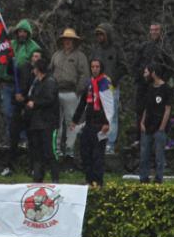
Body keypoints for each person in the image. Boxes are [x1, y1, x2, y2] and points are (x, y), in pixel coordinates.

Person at [0, 19, 42, 146]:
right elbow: (1, 62)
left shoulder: (34, 47)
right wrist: (0, 75)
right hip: (7, 84)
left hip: (24, 86)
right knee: (7, 112)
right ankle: (10, 138)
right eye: (20, 31)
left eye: (24, 32)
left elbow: (35, 66)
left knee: (23, 113)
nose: (22, 34)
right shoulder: (9, 45)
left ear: (28, 33)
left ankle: (23, 138)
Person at [71, 59, 116, 187]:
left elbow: (109, 105)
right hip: (89, 123)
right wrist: (75, 120)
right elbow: (83, 103)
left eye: (97, 66)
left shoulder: (105, 84)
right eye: (92, 66)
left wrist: (107, 122)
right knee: (85, 152)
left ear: (101, 68)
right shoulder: (89, 83)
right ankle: (89, 179)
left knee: (98, 155)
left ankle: (98, 181)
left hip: (101, 124)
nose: (94, 69)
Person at [1, 49, 42, 177]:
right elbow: (10, 72)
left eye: (38, 57)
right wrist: (10, 61)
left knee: (33, 141)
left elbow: (40, 92)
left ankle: (32, 168)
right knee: (13, 138)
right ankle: (9, 166)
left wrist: (26, 99)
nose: (35, 58)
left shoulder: (42, 73)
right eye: (34, 56)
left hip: (32, 110)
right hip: (18, 108)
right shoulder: (23, 67)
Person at [88, 23, 128, 154]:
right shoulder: (95, 49)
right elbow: (91, 66)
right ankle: (99, 141)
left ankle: (110, 144)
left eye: (102, 34)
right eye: (98, 34)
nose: (99, 37)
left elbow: (123, 67)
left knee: (112, 116)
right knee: (96, 115)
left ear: (108, 35)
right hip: (97, 88)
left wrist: (114, 80)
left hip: (111, 88)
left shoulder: (116, 49)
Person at [50, 28, 90, 158]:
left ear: (74, 41)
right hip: (56, 92)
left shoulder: (80, 56)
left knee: (72, 122)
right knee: (56, 121)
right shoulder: (56, 55)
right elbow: (50, 72)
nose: (67, 42)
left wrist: (78, 91)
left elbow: (84, 75)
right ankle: (56, 148)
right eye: (65, 39)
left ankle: (69, 149)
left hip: (71, 92)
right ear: (62, 41)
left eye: (70, 40)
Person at [133, 22, 174, 128]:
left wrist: (161, 81)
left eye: (156, 30)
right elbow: (136, 64)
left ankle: (156, 136)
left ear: (161, 31)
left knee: (157, 111)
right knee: (140, 109)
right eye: (152, 29)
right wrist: (140, 77)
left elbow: (171, 67)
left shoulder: (166, 48)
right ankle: (139, 138)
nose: (153, 32)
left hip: (158, 86)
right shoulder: (144, 46)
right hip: (143, 85)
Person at [25, 58, 60, 184]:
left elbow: (49, 99)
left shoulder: (50, 82)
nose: (33, 71)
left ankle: (55, 177)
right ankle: (38, 178)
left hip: (48, 123)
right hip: (37, 123)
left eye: (34, 68)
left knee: (50, 151)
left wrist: (35, 103)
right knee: (37, 152)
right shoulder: (36, 83)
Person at [139, 65, 173, 184]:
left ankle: (158, 178)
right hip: (147, 125)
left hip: (159, 127)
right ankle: (143, 178)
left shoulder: (167, 89)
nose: (146, 74)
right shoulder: (149, 88)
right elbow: (146, 107)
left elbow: (167, 109)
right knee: (144, 154)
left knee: (159, 156)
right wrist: (142, 122)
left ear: (153, 73)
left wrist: (162, 127)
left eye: (147, 71)